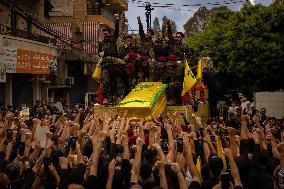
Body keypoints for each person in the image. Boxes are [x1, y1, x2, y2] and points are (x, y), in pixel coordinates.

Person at [98, 17, 130, 103]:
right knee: (105, 82)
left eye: (106, 33)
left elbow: (116, 32)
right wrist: (101, 53)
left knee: (118, 80)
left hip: (115, 64)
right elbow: (99, 52)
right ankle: (107, 98)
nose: (105, 35)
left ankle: (119, 97)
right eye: (104, 33)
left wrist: (116, 20)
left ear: (109, 33)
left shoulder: (113, 39)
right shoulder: (102, 43)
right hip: (106, 64)